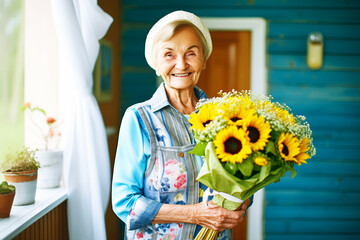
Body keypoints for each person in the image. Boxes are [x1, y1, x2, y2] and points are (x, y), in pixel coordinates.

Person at [112, 10, 252, 240]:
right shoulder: (138, 118)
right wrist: (195, 215)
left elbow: (243, 179)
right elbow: (124, 203)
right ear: (156, 64)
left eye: (191, 53)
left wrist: (241, 205)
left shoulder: (226, 117)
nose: (181, 63)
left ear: (203, 60)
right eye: (169, 54)